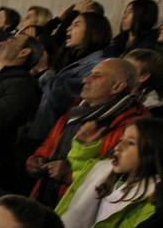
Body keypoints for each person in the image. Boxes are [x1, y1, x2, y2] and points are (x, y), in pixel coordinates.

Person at [26, 58, 147, 202]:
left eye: (97, 76)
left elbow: (111, 172)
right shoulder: (77, 110)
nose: (85, 80)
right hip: (46, 192)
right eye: (90, 74)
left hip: (79, 203)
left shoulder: (130, 125)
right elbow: (50, 144)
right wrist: (37, 160)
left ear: (117, 86)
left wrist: (68, 174)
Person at [30, 10, 113, 143]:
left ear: (93, 30)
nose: (68, 28)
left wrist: (44, 71)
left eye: (76, 25)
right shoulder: (69, 57)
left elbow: (62, 98)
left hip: (58, 137)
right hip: (43, 131)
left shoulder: (97, 65)